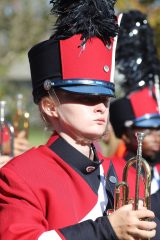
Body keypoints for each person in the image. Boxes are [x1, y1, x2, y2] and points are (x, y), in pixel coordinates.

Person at [0, 2, 159, 239]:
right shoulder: (19, 175)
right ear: (50, 106)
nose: (99, 107)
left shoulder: (132, 175)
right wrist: (106, 230)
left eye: (105, 99)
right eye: (85, 98)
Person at [109, 10, 160, 219]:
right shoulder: (116, 170)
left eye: (158, 128)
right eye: (146, 130)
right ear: (126, 134)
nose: (156, 135)